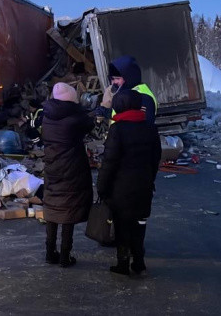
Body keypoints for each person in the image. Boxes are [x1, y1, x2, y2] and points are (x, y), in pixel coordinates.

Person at [97, 89, 162, 276]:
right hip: (144, 185)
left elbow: (109, 161)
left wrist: (102, 186)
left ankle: (123, 263)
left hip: (121, 188)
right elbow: (156, 156)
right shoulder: (150, 127)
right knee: (140, 222)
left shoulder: (117, 129)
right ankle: (139, 261)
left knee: (122, 224)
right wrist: (150, 178)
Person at [41, 82, 94, 267]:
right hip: (71, 169)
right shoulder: (74, 119)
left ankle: (50, 253)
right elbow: (90, 123)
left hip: (52, 169)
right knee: (67, 212)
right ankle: (65, 256)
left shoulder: (46, 117)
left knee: (53, 209)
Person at [96, 55, 157, 125]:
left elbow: (140, 121)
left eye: (117, 78)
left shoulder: (143, 96)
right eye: (112, 79)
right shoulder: (125, 92)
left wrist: (109, 114)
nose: (114, 82)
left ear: (129, 77)